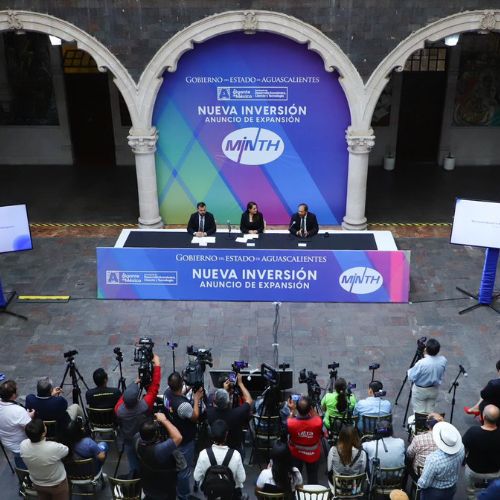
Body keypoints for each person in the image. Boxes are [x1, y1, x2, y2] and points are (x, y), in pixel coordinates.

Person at [115, 353, 161, 475]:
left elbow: (122, 398)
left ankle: (135, 475)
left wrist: (134, 384)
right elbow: (154, 387)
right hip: (143, 436)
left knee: (132, 461)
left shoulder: (119, 409)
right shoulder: (144, 405)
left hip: (129, 438)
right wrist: (157, 366)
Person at [164, 371, 204, 500]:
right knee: (184, 470)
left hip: (171, 436)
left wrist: (188, 389)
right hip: (184, 441)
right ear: (181, 384)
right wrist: (197, 398)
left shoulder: (166, 393)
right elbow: (195, 417)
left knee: (175, 464)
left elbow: (178, 394)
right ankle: (183, 495)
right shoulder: (184, 406)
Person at [194, 419, 246, 499]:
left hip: (211, 493)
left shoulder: (203, 454)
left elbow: (196, 477)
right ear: (226, 434)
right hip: (230, 493)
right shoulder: (236, 455)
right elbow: (242, 479)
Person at [136, 412, 183, 500]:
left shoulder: (137, 440)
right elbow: (178, 437)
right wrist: (164, 420)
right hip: (163, 490)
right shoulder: (159, 451)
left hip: (147, 484)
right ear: (157, 434)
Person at [20, 418, 70, 500]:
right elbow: (66, 450)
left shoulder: (23, 445)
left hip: (37, 483)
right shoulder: (53, 447)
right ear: (43, 434)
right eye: (44, 426)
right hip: (56, 485)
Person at [207, 374, 253, 454]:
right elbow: (249, 400)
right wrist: (240, 383)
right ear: (228, 401)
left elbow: (217, 399)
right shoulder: (236, 414)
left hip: (216, 447)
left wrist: (223, 390)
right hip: (235, 448)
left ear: (214, 402)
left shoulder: (209, 413)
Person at [417, 421, 465, 499]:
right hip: (452, 487)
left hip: (434, 493)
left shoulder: (433, 459)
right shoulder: (461, 448)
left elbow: (424, 483)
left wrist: (418, 483)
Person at [462, 404, 500, 499]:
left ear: (484, 416)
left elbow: (463, 448)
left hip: (474, 470)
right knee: (492, 491)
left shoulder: (473, 432)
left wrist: (464, 461)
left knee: (471, 491)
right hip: (495, 471)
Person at [286, 395, 323, 484]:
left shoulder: (291, 423)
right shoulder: (317, 423)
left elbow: (288, 421)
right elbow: (318, 417)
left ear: (297, 409)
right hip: (313, 454)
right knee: (313, 478)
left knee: (295, 478)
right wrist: (310, 408)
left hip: (296, 453)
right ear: (310, 408)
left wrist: (292, 410)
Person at [0, 379, 34, 468]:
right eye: (17, 390)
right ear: (13, 395)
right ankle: (25, 475)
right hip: (19, 444)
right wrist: (29, 416)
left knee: (17, 456)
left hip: (6, 440)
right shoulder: (18, 411)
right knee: (22, 461)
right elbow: (29, 428)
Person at [407, 338, 447, 414]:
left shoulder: (421, 363)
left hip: (420, 390)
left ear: (426, 349)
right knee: (430, 412)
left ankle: (420, 425)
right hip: (434, 389)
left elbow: (411, 376)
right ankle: (429, 424)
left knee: (419, 413)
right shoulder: (443, 360)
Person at [406, 413, 443, 477]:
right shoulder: (445, 441)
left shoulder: (418, 439)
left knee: (406, 456)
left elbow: (409, 454)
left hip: (419, 473)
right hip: (436, 474)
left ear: (428, 426)